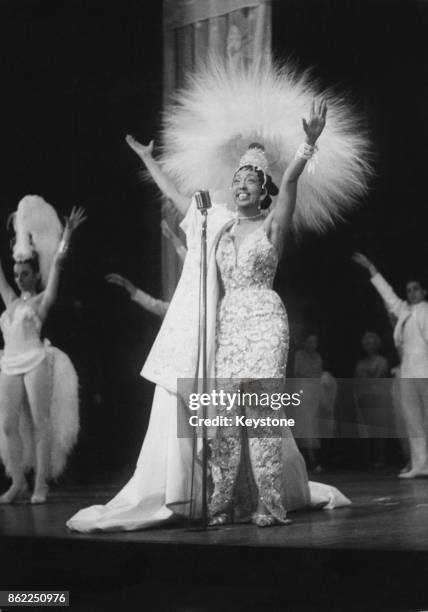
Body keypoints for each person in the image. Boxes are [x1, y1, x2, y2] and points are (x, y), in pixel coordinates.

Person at [67, 58, 369, 532]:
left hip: (265, 319)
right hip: (229, 324)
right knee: (226, 419)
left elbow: (290, 181)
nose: (240, 184)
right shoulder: (219, 226)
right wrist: (149, 161)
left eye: (249, 179)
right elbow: (182, 202)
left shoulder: (273, 225)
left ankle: (270, 504)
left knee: (263, 416)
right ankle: (223, 502)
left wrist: (308, 143)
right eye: (237, 179)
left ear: (262, 190)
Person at [0, 197, 85, 503]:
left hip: (35, 360)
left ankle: (41, 484)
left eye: (25, 273)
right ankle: (18, 481)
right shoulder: (10, 301)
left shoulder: (42, 301)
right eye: (16, 273)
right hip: (9, 362)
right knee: (8, 425)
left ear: (35, 275)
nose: (19, 277)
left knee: (40, 421)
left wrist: (66, 236)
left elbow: (58, 264)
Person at [353, 252, 428, 478]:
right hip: (407, 371)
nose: (411, 293)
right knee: (413, 421)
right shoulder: (404, 312)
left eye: (416, 289)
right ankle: (420, 465)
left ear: (424, 291)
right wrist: (372, 269)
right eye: (409, 290)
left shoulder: (426, 312)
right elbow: (388, 295)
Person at [105, 220, 187, 318]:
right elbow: (153, 305)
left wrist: (172, 236)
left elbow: (188, 259)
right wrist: (125, 284)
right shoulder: (180, 308)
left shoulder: (197, 289)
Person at [354, 331, 389, 468]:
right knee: (366, 429)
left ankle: (382, 458)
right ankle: (367, 459)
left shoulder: (382, 361)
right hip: (364, 398)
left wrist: (367, 381)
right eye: (366, 343)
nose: (369, 345)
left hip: (378, 397)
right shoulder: (361, 362)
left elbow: (378, 377)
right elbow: (357, 381)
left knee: (380, 428)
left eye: (371, 342)